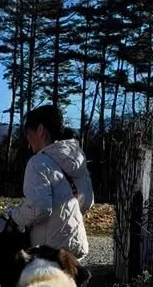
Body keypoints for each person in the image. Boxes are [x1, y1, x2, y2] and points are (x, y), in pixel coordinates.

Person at [7, 103, 94, 260]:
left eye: (28, 134)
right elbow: (87, 201)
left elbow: (39, 208)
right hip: (76, 246)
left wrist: (15, 216)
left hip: (49, 251)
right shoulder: (78, 161)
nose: (28, 142)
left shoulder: (38, 163)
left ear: (40, 130)